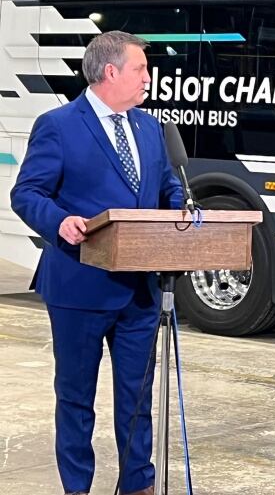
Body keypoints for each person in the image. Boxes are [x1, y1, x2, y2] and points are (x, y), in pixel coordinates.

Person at [11, 31, 183, 495]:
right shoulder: (59, 125)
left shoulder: (149, 128)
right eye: (141, 69)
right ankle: (77, 488)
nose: (148, 77)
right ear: (111, 72)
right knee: (75, 398)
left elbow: (169, 187)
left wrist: (182, 207)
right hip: (79, 286)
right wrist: (60, 220)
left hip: (140, 290)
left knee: (136, 399)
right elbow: (26, 193)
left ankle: (137, 485)